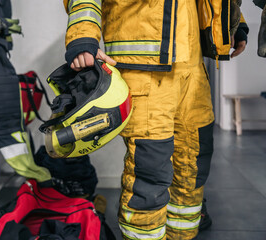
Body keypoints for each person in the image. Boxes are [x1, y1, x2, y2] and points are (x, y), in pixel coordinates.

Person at [62, 0, 247, 239]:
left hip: (193, 70)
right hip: (144, 70)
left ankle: (182, 235)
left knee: (193, 166)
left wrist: (233, 23)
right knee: (149, 173)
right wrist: (82, 37)